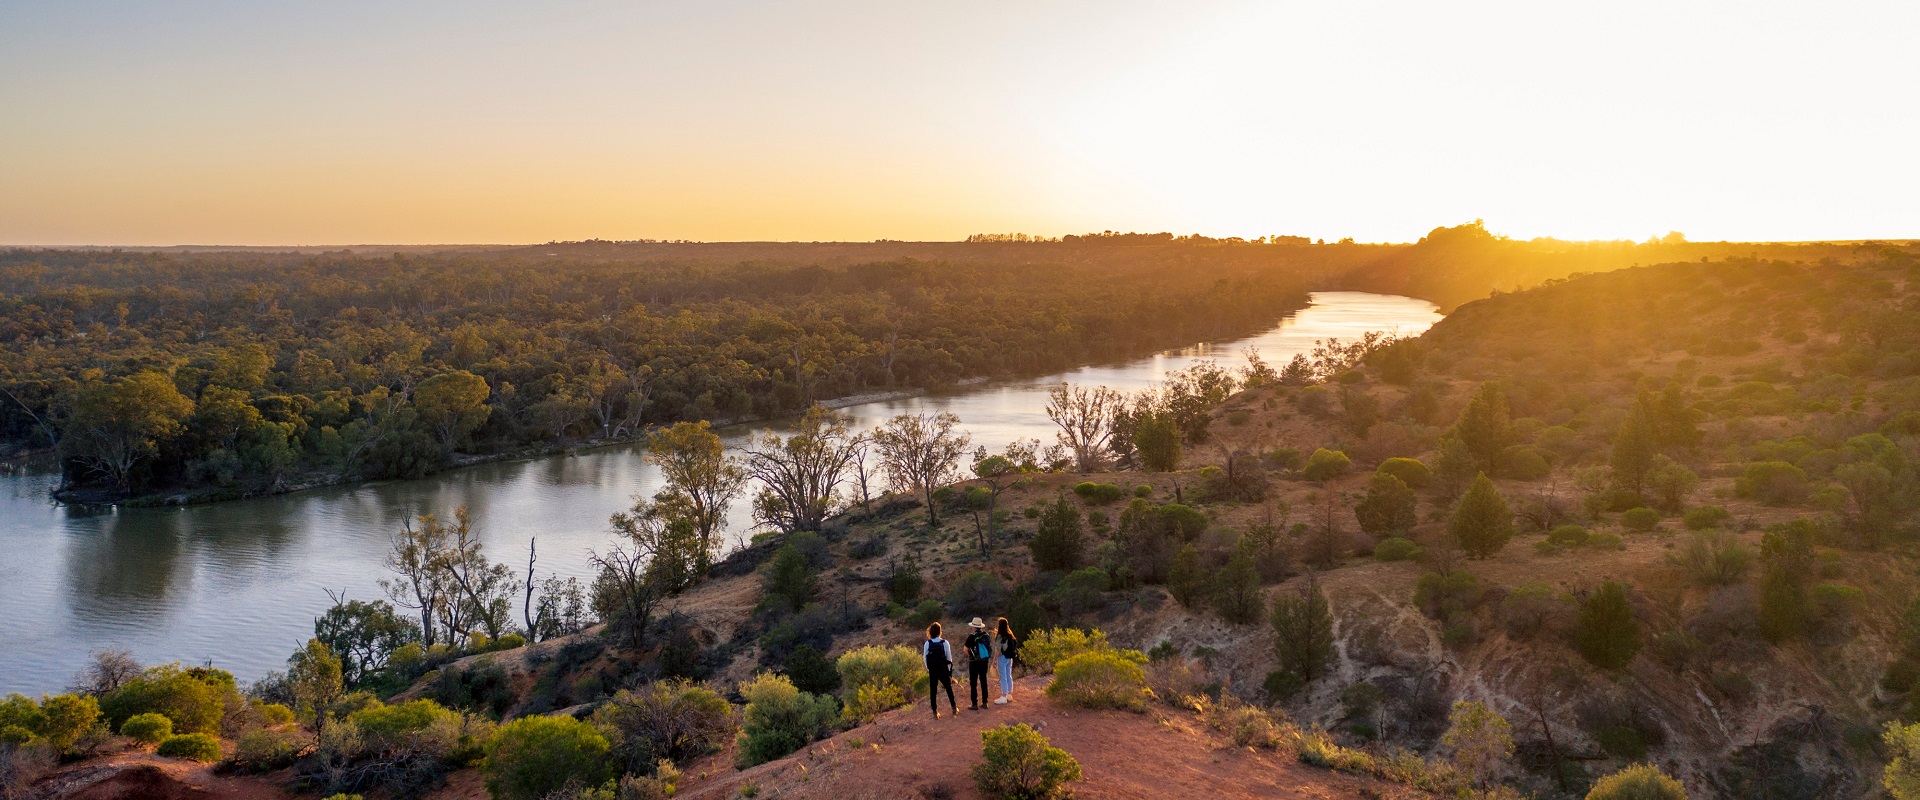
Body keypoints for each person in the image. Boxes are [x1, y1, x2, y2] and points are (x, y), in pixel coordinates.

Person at [923, 621, 958, 718]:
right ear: (940, 631)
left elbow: (925, 658)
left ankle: (935, 712)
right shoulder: (945, 643)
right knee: (948, 689)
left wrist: (929, 669)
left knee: (933, 691)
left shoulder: (927, 643)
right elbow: (949, 658)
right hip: (943, 669)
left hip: (933, 670)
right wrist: (948, 670)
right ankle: (954, 708)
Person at [963, 617, 993, 709]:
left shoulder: (971, 637)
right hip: (984, 661)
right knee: (983, 680)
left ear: (974, 627)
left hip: (974, 662)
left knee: (973, 682)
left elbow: (965, 649)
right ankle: (985, 702)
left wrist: (971, 656)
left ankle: (974, 704)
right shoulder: (986, 636)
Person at [992, 617, 1020, 704]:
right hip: (1009, 658)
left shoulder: (1000, 636)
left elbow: (998, 650)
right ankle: (1009, 694)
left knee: (1003, 677)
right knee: (1009, 675)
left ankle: (1003, 696)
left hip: (1003, 657)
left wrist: (994, 660)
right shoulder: (1010, 635)